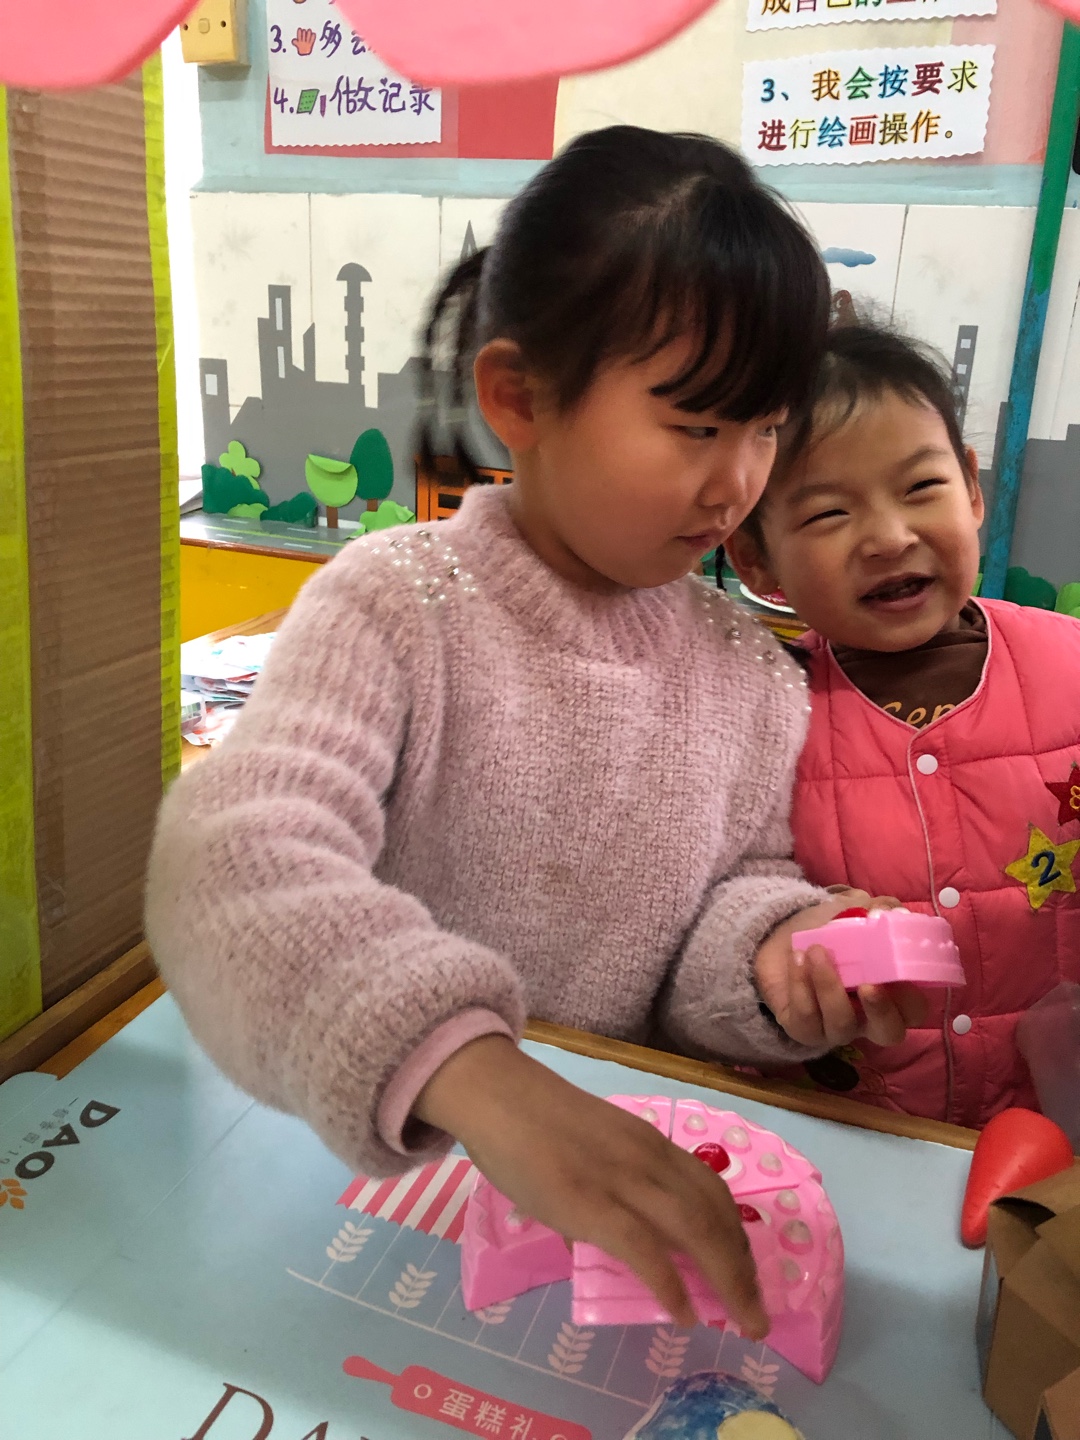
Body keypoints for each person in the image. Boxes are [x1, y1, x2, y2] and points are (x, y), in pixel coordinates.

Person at [146, 128, 915, 1334]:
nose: (736, 484)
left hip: (600, 1205)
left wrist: (777, 959)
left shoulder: (745, 676)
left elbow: (720, 911)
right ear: (518, 397)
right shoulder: (397, 605)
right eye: (696, 425)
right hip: (382, 1156)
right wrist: (469, 1068)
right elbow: (231, 862)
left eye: (765, 428)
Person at [726, 322, 1080, 1128]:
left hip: (1046, 1140)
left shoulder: (1072, 670)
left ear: (972, 490)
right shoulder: (754, 717)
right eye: (827, 514)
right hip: (844, 1133)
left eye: (921, 487)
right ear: (756, 559)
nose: (889, 537)